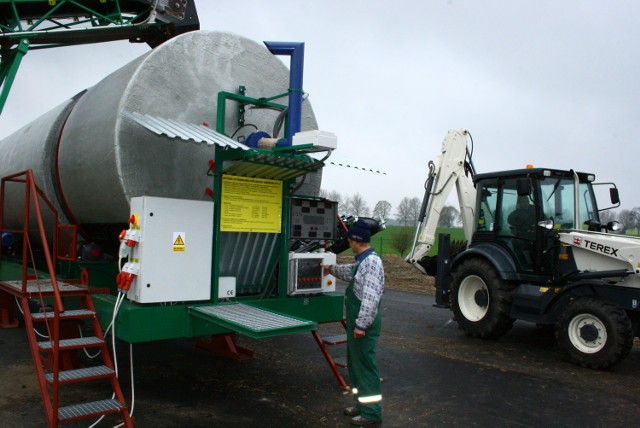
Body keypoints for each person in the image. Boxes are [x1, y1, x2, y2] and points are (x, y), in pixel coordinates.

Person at [321, 219, 384, 427]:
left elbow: (370, 297)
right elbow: (349, 272)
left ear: (357, 240)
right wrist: (330, 268)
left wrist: (361, 325)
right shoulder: (362, 261)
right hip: (357, 323)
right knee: (356, 367)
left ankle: (372, 413)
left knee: (365, 368)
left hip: (363, 326)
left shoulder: (372, 263)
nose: (348, 242)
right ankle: (361, 405)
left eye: (350, 239)